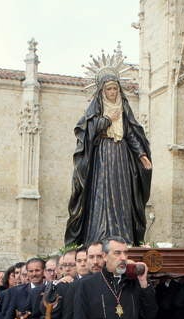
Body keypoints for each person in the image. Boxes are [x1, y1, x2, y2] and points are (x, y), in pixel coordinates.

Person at [64, 73, 152, 246]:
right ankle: (98, 236)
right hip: (102, 157)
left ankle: (123, 236)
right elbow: (87, 130)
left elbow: (131, 134)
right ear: (102, 91)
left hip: (121, 156)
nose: (112, 92)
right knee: (101, 194)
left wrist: (142, 155)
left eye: (115, 88)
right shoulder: (96, 109)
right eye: (109, 89)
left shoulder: (124, 108)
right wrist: (106, 120)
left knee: (123, 195)